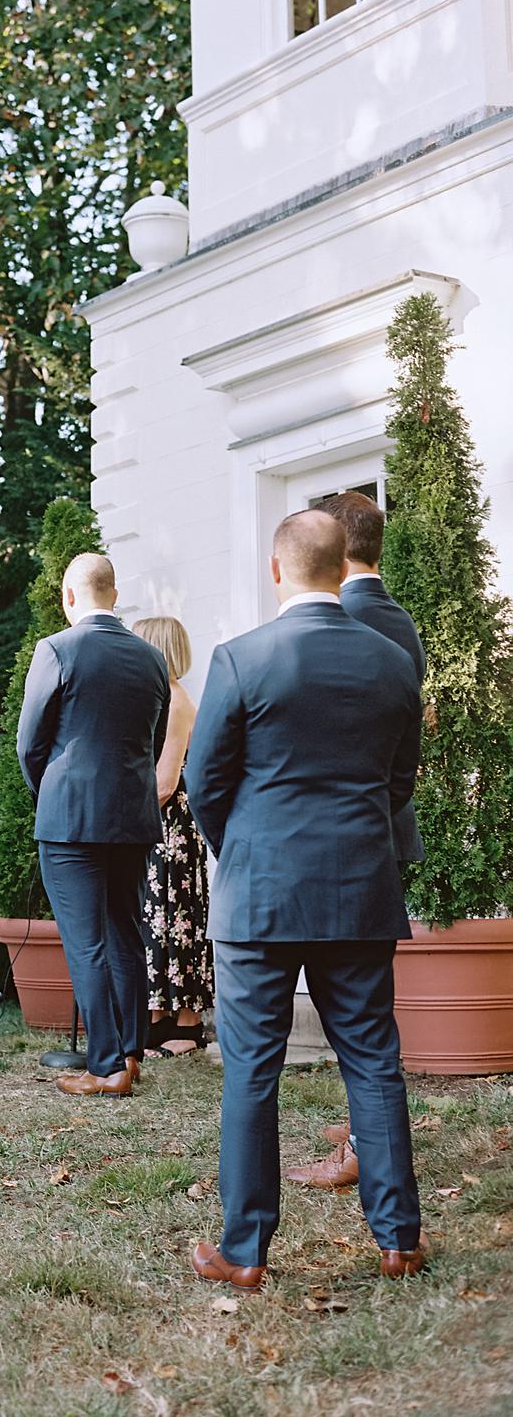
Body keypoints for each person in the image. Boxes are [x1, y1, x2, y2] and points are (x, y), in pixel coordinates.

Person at [185, 510, 427, 1288]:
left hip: (259, 894)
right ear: (343, 568)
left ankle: (245, 1251)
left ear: (278, 568)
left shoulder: (242, 657)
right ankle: (399, 1239)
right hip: (359, 888)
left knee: (252, 1069)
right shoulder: (393, 663)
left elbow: (204, 783)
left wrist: (246, 848)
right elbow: (399, 782)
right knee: (372, 1059)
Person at [286, 489, 428, 1189]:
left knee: (361, 1020)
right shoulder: (397, 617)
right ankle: (366, 1129)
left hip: (348, 838)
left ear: (332, 548)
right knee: (366, 1014)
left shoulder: (344, 618)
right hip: (379, 825)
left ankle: (365, 1149)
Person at [16, 554, 170, 1097]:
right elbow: (154, 742)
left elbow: (30, 742)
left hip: (71, 817)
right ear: (115, 593)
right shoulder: (152, 660)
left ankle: (105, 1067)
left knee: (86, 943)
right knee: (128, 935)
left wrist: (53, 795)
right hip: (132, 815)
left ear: (68, 595)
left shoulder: (57, 649)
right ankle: (130, 1052)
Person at [131, 617, 212, 1057]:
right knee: (155, 920)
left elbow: (164, 783)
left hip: (171, 826)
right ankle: (158, 1015)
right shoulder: (159, 698)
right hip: (155, 824)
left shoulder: (177, 701)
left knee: (175, 920)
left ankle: (189, 1024)